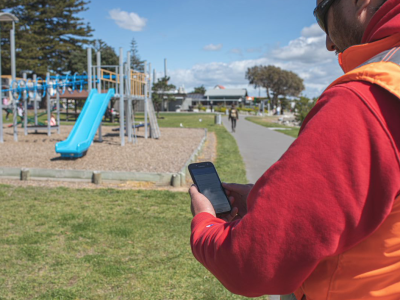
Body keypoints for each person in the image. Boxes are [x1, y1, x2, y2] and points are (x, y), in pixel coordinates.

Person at [189, 1, 400, 299]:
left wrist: (205, 222)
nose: (328, 43)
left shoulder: (366, 98)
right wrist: (272, 206)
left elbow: (250, 265)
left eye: (322, 17)